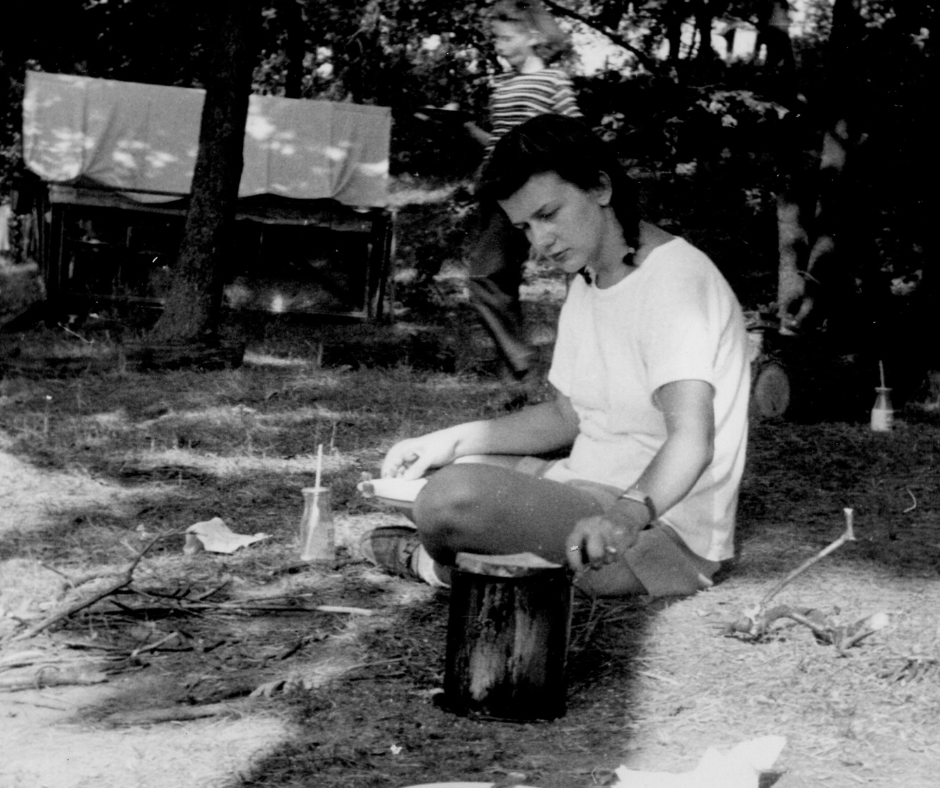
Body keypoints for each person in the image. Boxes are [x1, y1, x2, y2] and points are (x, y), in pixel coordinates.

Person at [362, 115, 751, 598]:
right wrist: (449, 441)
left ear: (601, 188)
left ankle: (435, 565)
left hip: (649, 531)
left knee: (450, 499)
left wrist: (623, 517)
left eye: (548, 214)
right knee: (434, 473)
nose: (539, 242)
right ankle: (476, 553)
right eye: (525, 227)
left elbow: (692, 441)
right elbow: (569, 416)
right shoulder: (590, 274)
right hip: (583, 489)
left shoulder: (674, 280)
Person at [463, 0, 582, 381]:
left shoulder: (553, 81)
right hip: (499, 192)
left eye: (506, 37)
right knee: (486, 277)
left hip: (539, 190)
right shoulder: (501, 86)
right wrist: (464, 127)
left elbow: (573, 132)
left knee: (579, 274)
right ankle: (518, 364)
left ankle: (571, 363)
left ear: (532, 37)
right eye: (495, 38)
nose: (498, 45)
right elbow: (499, 141)